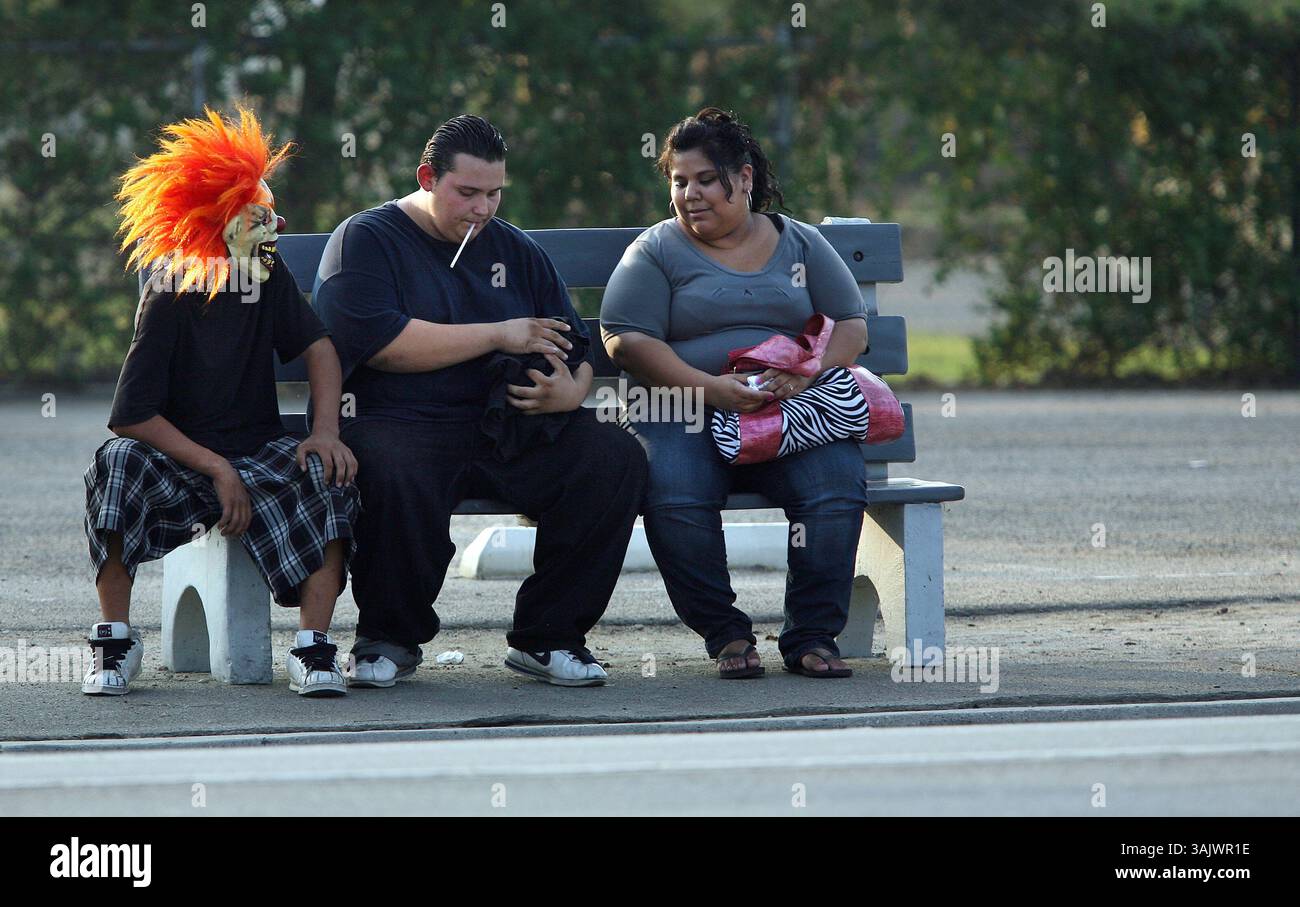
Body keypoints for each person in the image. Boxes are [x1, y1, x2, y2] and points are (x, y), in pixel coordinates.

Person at [314, 115, 647, 688]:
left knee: (614, 457)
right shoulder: (367, 239)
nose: (483, 208)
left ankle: (550, 635)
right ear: (427, 178)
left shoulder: (515, 248)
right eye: (466, 192)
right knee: (392, 469)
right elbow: (381, 343)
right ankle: (389, 637)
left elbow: (576, 340)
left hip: (511, 422)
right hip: (403, 420)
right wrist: (500, 333)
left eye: (494, 194)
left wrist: (575, 388)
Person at [84, 107, 361, 697]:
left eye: (271, 214)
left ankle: (313, 649)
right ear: (216, 224)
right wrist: (215, 467)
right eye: (258, 217)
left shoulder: (266, 273)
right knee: (114, 466)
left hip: (258, 453)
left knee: (331, 477)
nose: (274, 227)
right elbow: (132, 415)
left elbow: (319, 348)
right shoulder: (170, 292)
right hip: (179, 461)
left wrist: (326, 431)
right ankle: (114, 640)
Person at [601, 107, 870, 679]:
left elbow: (851, 324)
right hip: (682, 408)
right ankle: (726, 634)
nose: (690, 194)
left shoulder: (800, 243)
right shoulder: (657, 250)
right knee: (674, 490)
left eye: (705, 180)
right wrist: (710, 390)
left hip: (790, 408)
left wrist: (808, 371)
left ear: (744, 178)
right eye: (679, 181)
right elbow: (624, 340)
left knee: (834, 484)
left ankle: (812, 636)